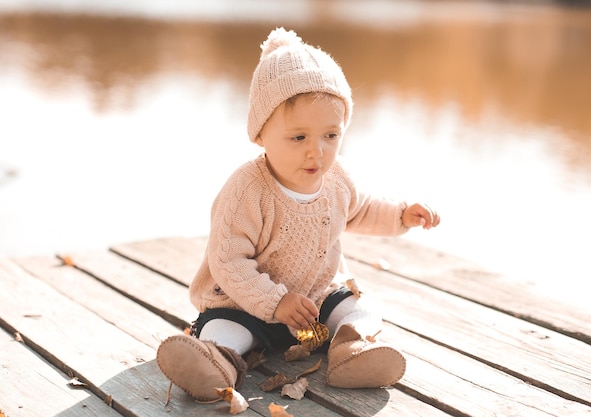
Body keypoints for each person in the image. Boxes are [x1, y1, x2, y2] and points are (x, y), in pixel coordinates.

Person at [156, 27, 440, 401]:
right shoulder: (247, 190)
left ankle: (351, 350)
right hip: (247, 303)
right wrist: (275, 302)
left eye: (331, 136)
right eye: (299, 137)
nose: (317, 152)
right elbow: (228, 260)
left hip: (313, 301)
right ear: (261, 133)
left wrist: (402, 215)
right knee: (225, 326)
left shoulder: (337, 180)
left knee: (361, 306)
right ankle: (216, 361)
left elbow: (362, 209)